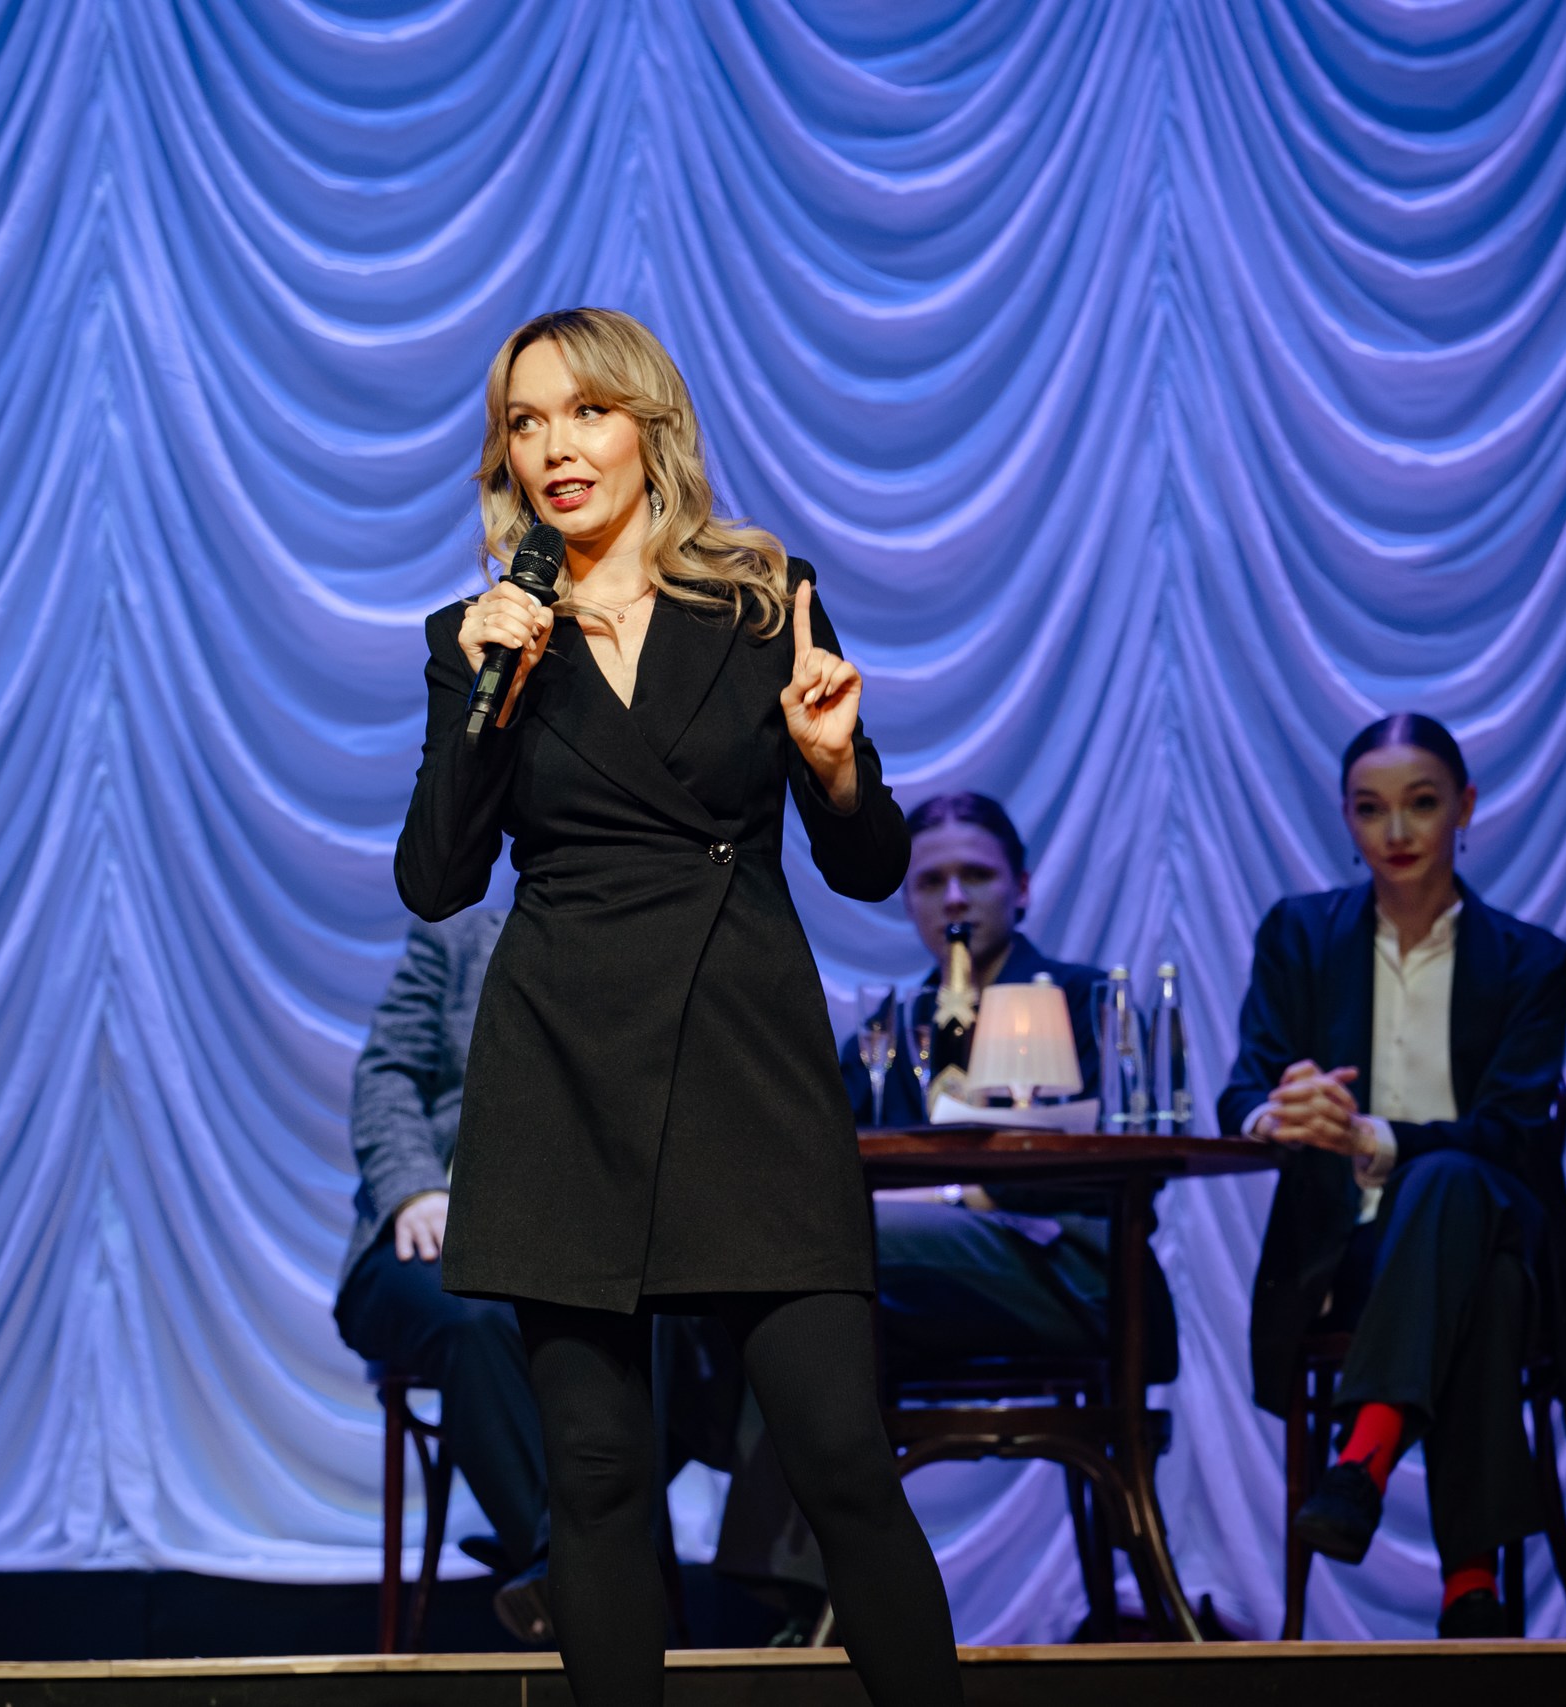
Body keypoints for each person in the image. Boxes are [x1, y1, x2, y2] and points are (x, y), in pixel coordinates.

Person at [394, 308, 962, 1707]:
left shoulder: (765, 599)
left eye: (585, 411)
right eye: (525, 422)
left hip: (744, 1063)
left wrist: (833, 766)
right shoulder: (480, 635)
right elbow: (437, 878)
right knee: (594, 1476)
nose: (555, 447)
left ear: (649, 426)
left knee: (837, 1451)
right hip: (562, 1070)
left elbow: (869, 862)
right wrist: (485, 689)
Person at [714, 795, 1182, 1634]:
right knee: (764, 1274)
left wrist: (960, 1195)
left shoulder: (1083, 1000)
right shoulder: (893, 1027)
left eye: (976, 875)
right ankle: (760, 1580)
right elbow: (819, 1167)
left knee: (821, 1254)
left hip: (1068, 1272)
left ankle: (788, 1596)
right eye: (932, 881)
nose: (955, 897)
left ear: (1022, 888)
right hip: (911, 1295)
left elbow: (1128, 1156)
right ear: (909, 901)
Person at [1219, 713, 1566, 1639]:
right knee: (1483, 1283)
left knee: (1453, 1183)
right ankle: (1471, 1587)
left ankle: (1364, 1462)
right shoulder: (1299, 934)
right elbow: (1242, 1089)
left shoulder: (1531, 961)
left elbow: (1514, 1134)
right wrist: (1283, 1111)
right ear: (1345, 818)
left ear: (1465, 807)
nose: (1396, 831)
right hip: (1349, 1255)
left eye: (1421, 804)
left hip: (1495, 1213)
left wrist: (1379, 1140)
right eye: (1369, 808)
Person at [334, 908, 561, 1642]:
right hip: (439, 1223)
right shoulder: (461, 939)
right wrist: (415, 1188)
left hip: (576, 1239)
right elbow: (386, 1072)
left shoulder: (656, 942)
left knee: (682, 1324)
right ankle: (572, 1567)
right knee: (475, 1313)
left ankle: (561, 1562)